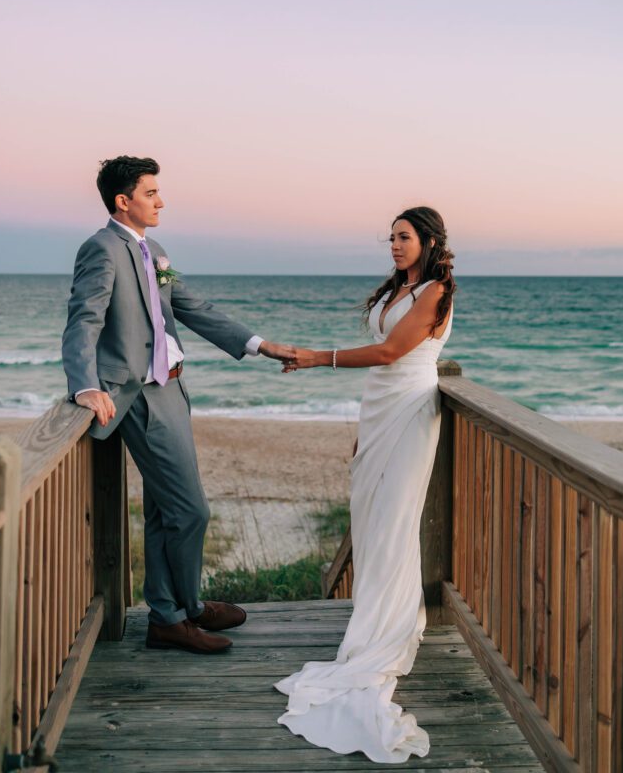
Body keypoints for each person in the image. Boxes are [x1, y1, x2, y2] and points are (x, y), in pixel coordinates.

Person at [62, 156, 294, 655]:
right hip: (138, 395)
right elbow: (83, 320)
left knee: (168, 512)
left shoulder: (156, 250)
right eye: (150, 193)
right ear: (123, 201)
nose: (160, 201)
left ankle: (177, 610)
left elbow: (191, 308)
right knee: (191, 511)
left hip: (172, 390)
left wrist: (261, 345)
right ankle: (174, 614)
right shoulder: (100, 248)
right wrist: (85, 386)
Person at [275, 206, 455, 763]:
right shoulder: (399, 287)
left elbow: (390, 353)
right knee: (370, 518)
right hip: (379, 412)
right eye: (392, 238)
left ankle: (389, 630)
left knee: (396, 521)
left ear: (428, 241)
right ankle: (373, 616)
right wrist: (361, 430)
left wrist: (315, 358)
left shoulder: (435, 291)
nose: (395, 246)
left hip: (409, 409)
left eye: (404, 238)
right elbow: (381, 365)